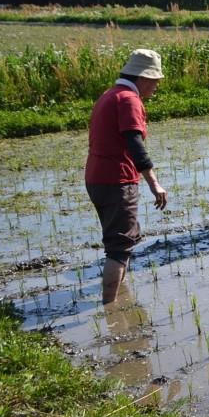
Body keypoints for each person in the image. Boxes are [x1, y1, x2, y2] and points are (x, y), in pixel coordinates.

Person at [85, 49, 168, 304]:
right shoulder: (128, 100)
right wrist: (154, 183)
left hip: (98, 178)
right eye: (155, 81)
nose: (156, 86)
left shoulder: (109, 95)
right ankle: (110, 310)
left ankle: (118, 300)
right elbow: (135, 144)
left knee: (123, 240)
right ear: (143, 77)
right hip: (116, 181)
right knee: (119, 249)